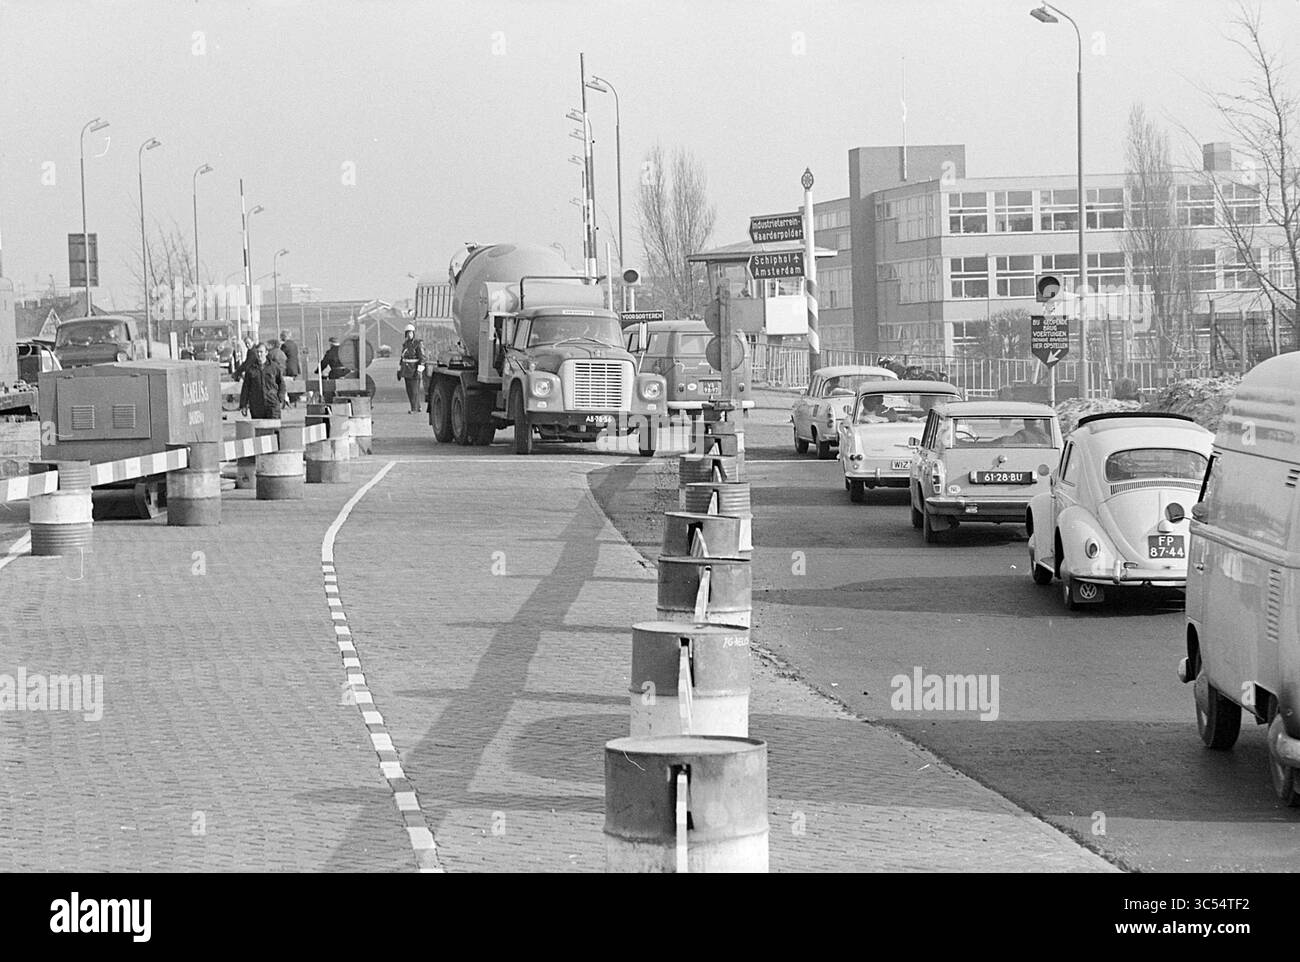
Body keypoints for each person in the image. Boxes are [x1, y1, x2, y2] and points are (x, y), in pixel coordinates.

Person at [239, 342, 288, 420]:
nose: (259, 354)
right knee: (259, 430)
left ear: (266, 353)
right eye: (257, 352)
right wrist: (243, 405)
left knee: (274, 430)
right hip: (257, 406)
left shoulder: (274, 367)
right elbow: (246, 388)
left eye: (261, 352)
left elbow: (281, 384)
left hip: (272, 404)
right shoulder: (251, 369)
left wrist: (280, 398)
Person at [397, 324, 426, 414]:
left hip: (414, 370)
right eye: (408, 333)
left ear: (414, 333)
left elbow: (422, 358)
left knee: (414, 391)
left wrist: (419, 370)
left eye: (411, 333)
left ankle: (414, 409)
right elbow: (402, 358)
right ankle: (417, 406)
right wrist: (399, 370)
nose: (410, 335)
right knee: (409, 390)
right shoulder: (405, 344)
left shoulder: (418, 344)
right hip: (406, 370)